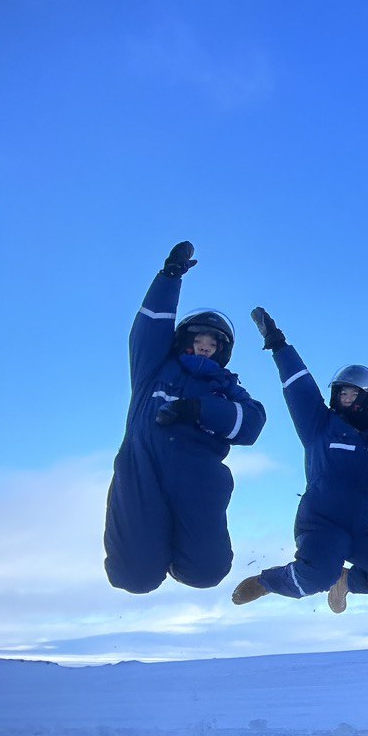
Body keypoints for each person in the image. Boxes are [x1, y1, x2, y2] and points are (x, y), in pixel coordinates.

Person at [231, 308, 368, 612]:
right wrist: (278, 344)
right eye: (341, 393)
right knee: (316, 577)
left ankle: (346, 582)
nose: (344, 398)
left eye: (352, 394)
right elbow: (299, 387)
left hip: (366, 529)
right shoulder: (319, 425)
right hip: (323, 523)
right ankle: (268, 582)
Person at [104, 241, 266, 593]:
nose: (205, 346)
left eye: (213, 343)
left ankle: (180, 562)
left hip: (198, 479)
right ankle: (151, 558)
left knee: (206, 573)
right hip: (141, 471)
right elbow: (148, 329)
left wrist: (200, 409)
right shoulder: (154, 370)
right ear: (184, 341)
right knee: (134, 577)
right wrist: (169, 276)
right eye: (198, 338)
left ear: (222, 351)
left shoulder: (225, 387)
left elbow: (251, 423)